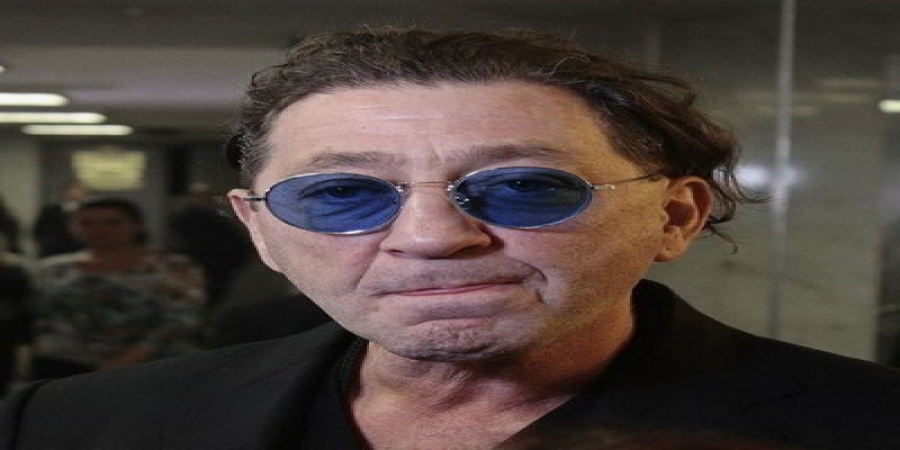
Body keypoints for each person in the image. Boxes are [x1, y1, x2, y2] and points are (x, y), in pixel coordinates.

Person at [2, 27, 899, 450]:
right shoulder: (71, 426)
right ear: (261, 232)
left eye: (525, 187)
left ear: (675, 216)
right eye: (341, 195)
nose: (431, 238)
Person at [27, 198, 206, 380]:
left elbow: (181, 319)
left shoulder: (172, 265)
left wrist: (126, 361)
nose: (99, 230)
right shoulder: (53, 268)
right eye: (86, 223)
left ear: (137, 225)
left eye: (112, 223)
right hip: (62, 369)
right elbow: (41, 320)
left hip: (150, 368)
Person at [31, 181, 89, 258]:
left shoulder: (88, 214)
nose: (76, 195)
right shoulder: (50, 211)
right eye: (72, 192)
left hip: (80, 253)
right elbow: (38, 232)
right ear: (65, 194)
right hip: (53, 253)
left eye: (80, 192)